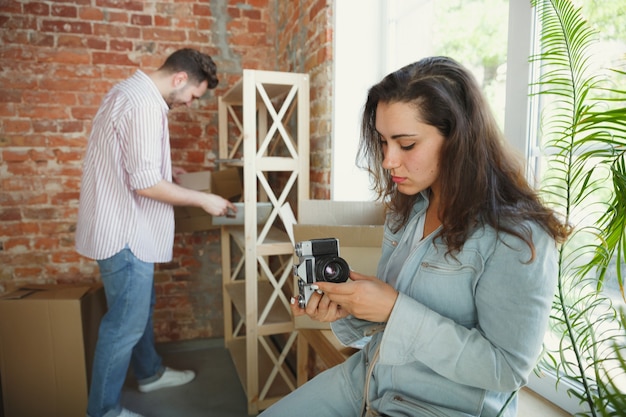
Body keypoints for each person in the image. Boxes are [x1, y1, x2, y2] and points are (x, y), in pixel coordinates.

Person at [260, 56, 571, 417]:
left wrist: (395, 310)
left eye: (406, 144)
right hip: (369, 379)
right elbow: (389, 320)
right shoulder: (408, 207)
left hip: (435, 407)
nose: (389, 160)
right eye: (382, 141)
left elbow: (506, 369)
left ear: (459, 138)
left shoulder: (518, 236)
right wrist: (349, 307)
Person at [76, 48, 236, 417]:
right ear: (180, 79)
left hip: (116, 225)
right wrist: (203, 199)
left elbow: (128, 158)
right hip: (125, 231)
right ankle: (103, 411)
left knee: (137, 311)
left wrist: (168, 168)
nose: (189, 104)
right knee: (123, 327)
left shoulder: (126, 92)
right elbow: (145, 183)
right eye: (193, 96)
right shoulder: (146, 105)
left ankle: (149, 373)